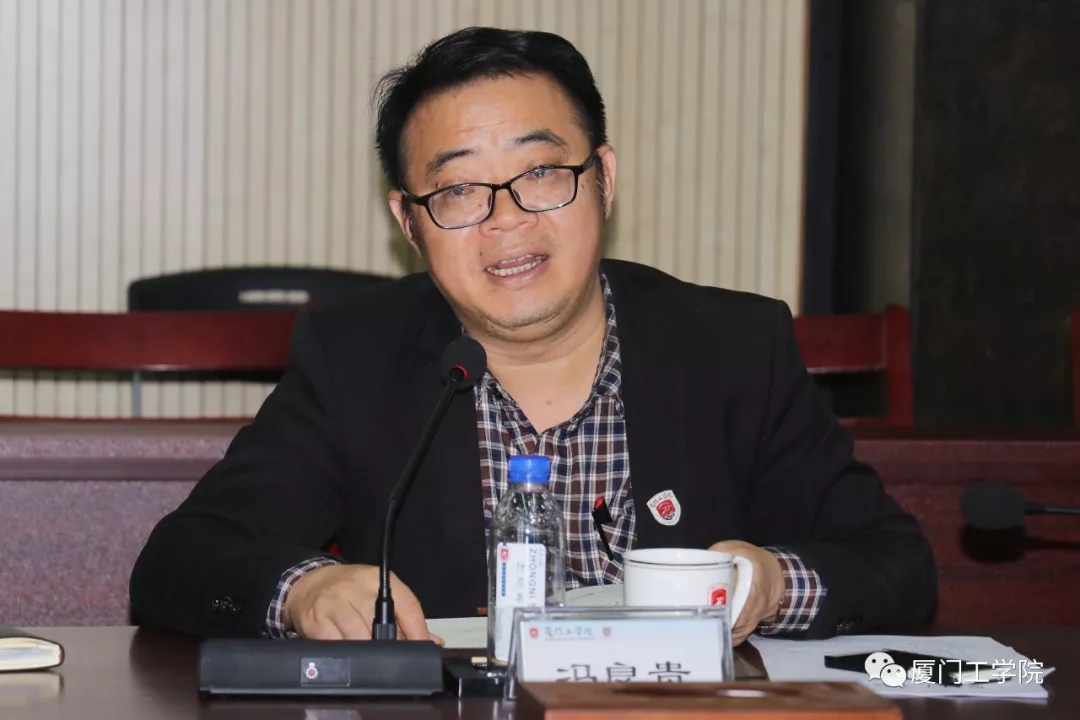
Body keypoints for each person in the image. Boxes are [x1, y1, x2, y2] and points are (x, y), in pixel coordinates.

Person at [129, 26, 936, 646]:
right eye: (457, 191)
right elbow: (182, 561)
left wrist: (768, 585)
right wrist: (303, 591)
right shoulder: (354, 356)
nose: (507, 219)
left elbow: (896, 564)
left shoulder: (731, 345)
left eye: (542, 174)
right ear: (409, 222)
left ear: (604, 179)